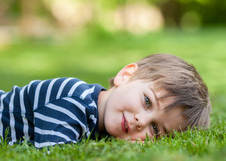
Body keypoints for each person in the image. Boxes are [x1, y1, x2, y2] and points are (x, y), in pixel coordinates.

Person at [0, 54, 211, 148]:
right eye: (147, 101)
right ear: (125, 76)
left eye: (156, 129)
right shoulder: (73, 99)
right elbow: (53, 155)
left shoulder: (98, 123)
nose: (141, 121)